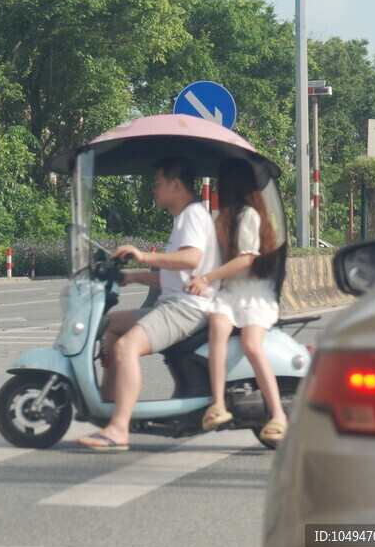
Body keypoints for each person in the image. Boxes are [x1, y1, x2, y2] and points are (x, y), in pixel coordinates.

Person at [77, 157, 222, 451]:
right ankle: (109, 405)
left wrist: (142, 256)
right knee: (111, 326)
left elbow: (191, 259)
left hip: (188, 307)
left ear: (176, 185)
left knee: (126, 347)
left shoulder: (192, 215)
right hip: (176, 301)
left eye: (157, 184)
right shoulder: (185, 218)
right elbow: (175, 276)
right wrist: (134, 277)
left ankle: (119, 429)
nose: (154, 190)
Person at [185, 158, 286, 447]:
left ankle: (278, 415)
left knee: (252, 345)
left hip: (254, 291)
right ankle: (218, 404)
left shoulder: (250, 216)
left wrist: (206, 277)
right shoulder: (225, 216)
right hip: (229, 292)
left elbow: (246, 259)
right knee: (217, 329)